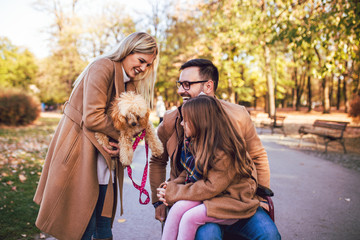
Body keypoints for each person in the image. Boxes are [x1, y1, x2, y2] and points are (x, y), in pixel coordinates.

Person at [33, 32, 159, 240]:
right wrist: (124, 137)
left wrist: (128, 141)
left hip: (102, 161)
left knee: (102, 226)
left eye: (148, 65)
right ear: (128, 51)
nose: (143, 68)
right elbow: (93, 117)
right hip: (81, 154)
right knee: (84, 226)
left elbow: (131, 122)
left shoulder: (129, 82)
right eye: (141, 60)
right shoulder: (104, 66)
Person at [149, 59, 280, 239]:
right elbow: (158, 160)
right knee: (206, 236)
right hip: (192, 200)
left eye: (187, 85)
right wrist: (158, 202)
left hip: (234, 200)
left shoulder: (237, 115)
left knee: (269, 235)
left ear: (208, 86)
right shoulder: (173, 120)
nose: (180, 91)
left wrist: (262, 196)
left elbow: (257, 155)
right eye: (179, 84)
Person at [158, 95, 259, 240]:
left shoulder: (224, 151)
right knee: (177, 209)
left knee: (190, 218)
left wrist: (175, 192)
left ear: (201, 122)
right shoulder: (197, 141)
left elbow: (210, 187)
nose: (181, 124)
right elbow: (190, 173)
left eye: (185, 121)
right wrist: (171, 186)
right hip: (214, 197)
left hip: (233, 202)